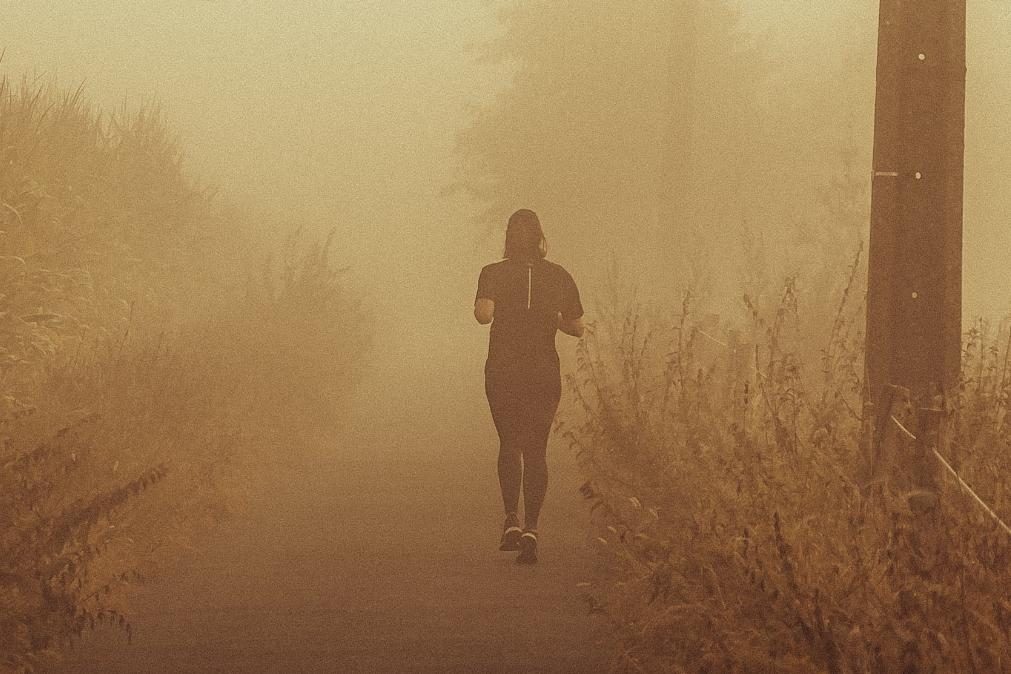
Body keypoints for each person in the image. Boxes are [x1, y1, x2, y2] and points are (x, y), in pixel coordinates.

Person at [474, 209, 584, 564]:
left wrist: (499, 301)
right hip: (542, 371)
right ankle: (533, 528)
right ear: (540, 238)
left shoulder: (492, 273)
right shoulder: (559, 277)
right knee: (536, 449)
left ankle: (511, 520)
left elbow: (483, 315)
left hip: (504, 369)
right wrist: (551, 318)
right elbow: (578, 327)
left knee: (509, 442)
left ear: (508, 238)